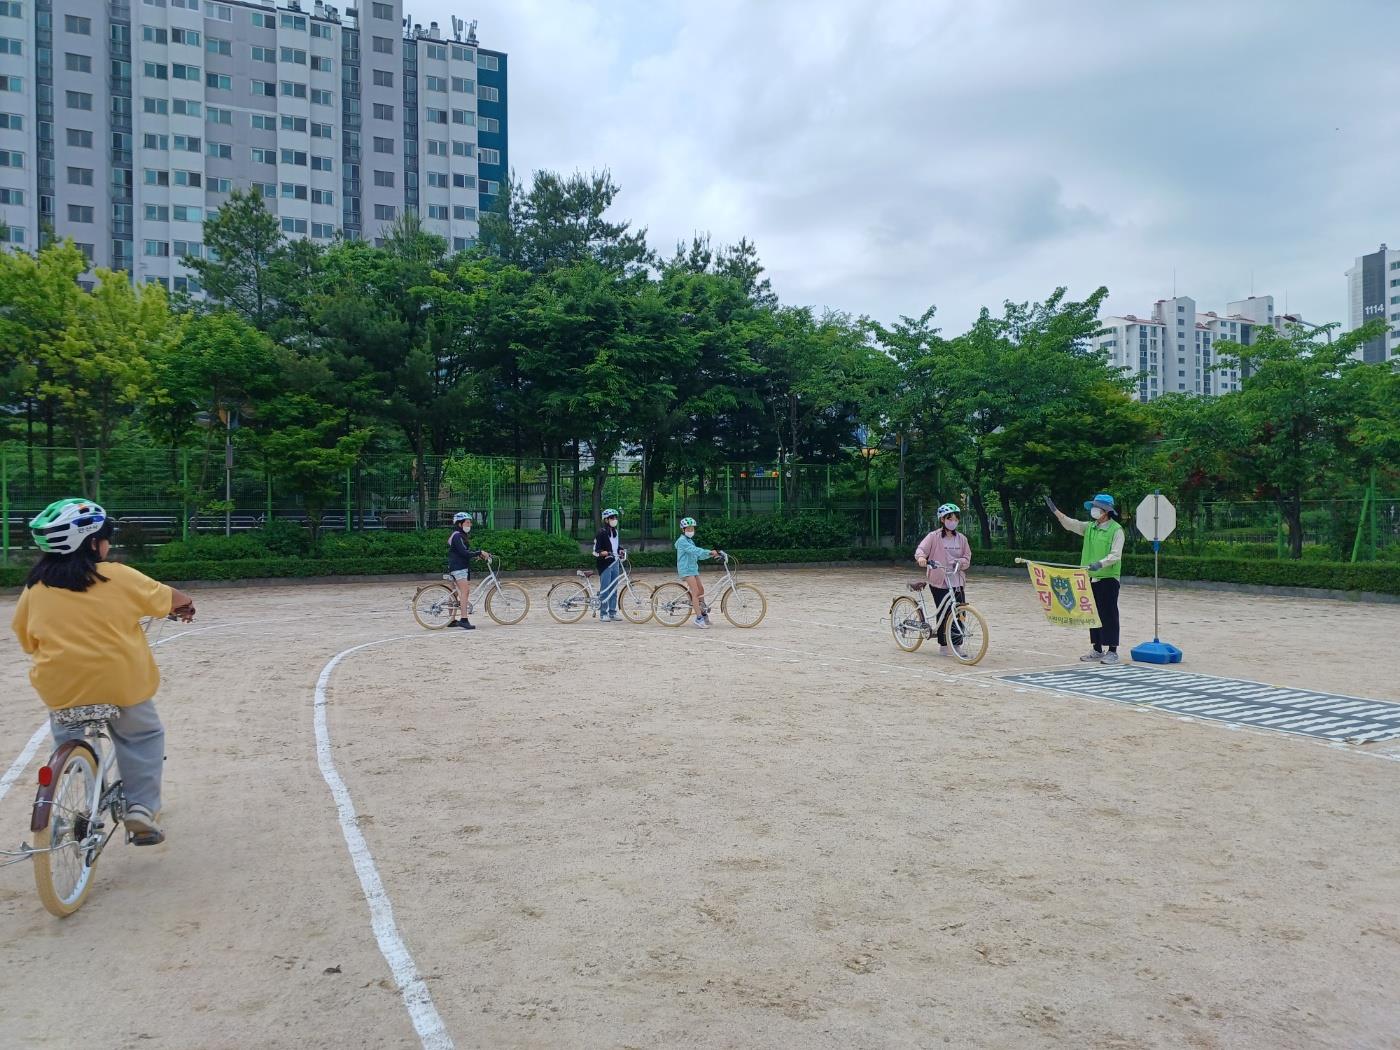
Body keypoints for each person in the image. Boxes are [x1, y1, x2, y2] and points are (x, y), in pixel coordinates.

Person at [10, 498, 196, 845]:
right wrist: (185, 603)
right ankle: (140, 808)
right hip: (120, 683)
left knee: (67, 734)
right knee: (142, 736)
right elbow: (168, 597)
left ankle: (72, 777)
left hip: (61, 686)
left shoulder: (36, 587)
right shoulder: (116, 575)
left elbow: (25, 636)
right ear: (92, 542)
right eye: (106, 537)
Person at [1045, 492, 1125, 663]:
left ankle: (1112, 650)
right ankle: (1097, 648)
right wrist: (1056, 512)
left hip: (1108, 578)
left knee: (1109, 613)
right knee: (1092, 613)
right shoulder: (1090, 527)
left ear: (1106, 511)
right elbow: (1071, 524)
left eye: (1097, 508)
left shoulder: (1116, 530)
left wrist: (1100, 563)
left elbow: (1116, 555)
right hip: (1089, 578)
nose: (1094, 511)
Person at [914, 502, 973, 657]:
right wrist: (921, 558)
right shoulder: (933, 537)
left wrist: (960, 562)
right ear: (942, 519)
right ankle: (943, 645)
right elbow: (921, 550)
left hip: (957, 579)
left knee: (959, 612)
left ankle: (957, 645)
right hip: (939, 579)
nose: (953, 521)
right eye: (949, 518)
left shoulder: (962, 539)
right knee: (944, 612)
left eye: (955, 518)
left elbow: (967, 557)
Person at [447, 511, 492, 631]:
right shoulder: (457, 536)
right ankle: (464, 619)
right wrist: (479, 552)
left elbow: (463, 552)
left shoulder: (458, 535)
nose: (470, 525)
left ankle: (451, 620)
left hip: (455, 567)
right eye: (467, 522)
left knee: (454, 593)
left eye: (470, 522)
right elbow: (463, 553)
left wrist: (476, 555)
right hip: (459, 568)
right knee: (465, 592)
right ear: (460, 524)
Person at [674, 517, 721, 629]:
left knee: (701, 590)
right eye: (689, 528)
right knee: (695, 592)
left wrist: (711, 555)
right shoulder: (682, 541)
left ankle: (703, 614)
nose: (691, 530)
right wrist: (709, 552)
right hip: (685, 569)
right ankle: (698, 619)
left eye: (692, 528)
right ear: (683, 530)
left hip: (693, 569)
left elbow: (698, 555)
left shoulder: (690, 541)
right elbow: (695, 550)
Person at [592, 508, 624, 622]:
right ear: (606, 520)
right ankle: (603, 613)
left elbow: (616, 546)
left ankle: (612, 612)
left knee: (614, 589)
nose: (614, 520)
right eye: (612, 518)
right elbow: (596, 550)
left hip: (615, 562)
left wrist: (620, 550)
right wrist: (603, 552)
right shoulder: (601, 533)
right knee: (605, 589)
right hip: (605, 564)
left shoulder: (615, 532)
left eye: (615, 517)